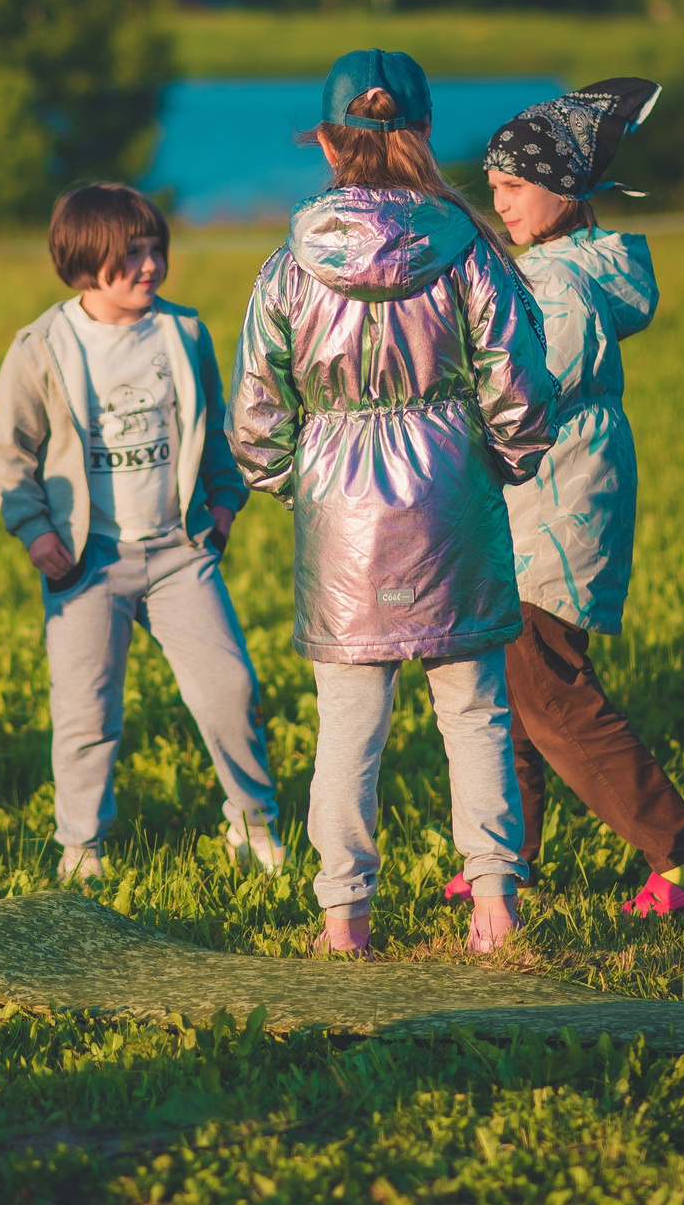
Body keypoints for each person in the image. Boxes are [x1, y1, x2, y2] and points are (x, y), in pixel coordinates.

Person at [233, 50, 555, 959]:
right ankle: (493, 902)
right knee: (475, 711)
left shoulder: (287, 266)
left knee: (348, 721)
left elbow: (257, 411)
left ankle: (344, 915)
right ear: (419, 131)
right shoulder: (468, 251)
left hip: (341, 515)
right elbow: (519, 389)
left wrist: (304, 480)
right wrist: (496, 463)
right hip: (450, 498)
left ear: (331, 139)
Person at [477, 78, 684, 919]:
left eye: (514, 187)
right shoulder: (559, 272)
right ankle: (504, 860)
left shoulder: (553, 288)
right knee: (512, 688)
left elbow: (518, 399)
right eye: (494, 189)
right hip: (543, 506)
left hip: (550, 512)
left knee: (549, 689)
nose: (501, 204)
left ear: (562, 189)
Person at [0, 182, 283, 885]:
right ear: (85, 262)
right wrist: (35, 533)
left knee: (230, 688)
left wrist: (225, 506)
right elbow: (8, 455)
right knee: (87, 711)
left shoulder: (184, 333)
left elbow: (216, 437)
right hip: (88, 563)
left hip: (180, 555)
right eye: (131, 255)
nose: (149, 267)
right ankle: (83, 848)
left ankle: (253, 822)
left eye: (155, 250)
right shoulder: (42, 346)